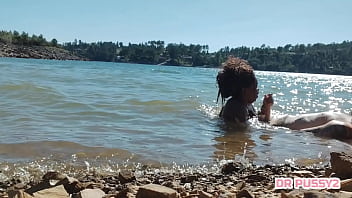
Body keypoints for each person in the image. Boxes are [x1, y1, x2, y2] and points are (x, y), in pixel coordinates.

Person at [216, 56, 352, 139]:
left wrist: (267, 108)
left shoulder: (245, 104)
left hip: (279, 126)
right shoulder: (235, 107)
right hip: (281, 129)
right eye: (254, 87)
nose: (257, 90)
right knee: (336, 128)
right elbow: (242, 130)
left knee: (337, 126)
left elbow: (259, 121)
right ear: (244, 90)